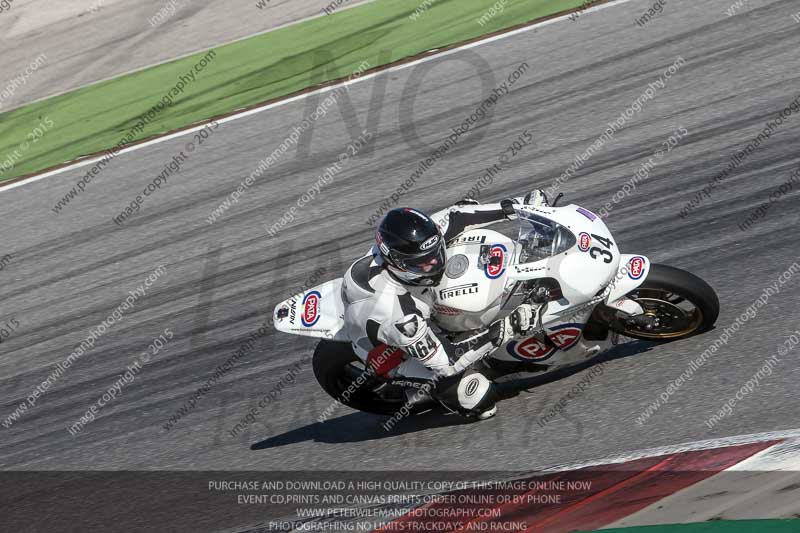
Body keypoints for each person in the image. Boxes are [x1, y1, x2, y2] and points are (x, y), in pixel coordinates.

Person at [341, 191, 546, 420]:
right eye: (422, 263)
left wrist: (517, 207)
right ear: (397, 264)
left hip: (411, 304)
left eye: (434, 253)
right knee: (478, 398)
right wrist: (507, 328)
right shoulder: (399, 316)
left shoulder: (417, 246)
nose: (434, 263)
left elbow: (457, 216)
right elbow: (447, 363)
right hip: (390, 350)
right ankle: (414, 385)